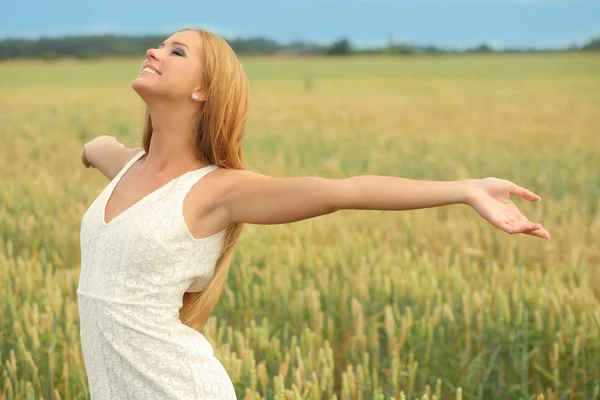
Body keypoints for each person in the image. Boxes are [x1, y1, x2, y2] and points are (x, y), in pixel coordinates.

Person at [77, 27, 551, 400]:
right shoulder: (128, 167)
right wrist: (91, 149)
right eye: (159, 45)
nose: (155, 51)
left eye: (176, 52)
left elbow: (341, 191)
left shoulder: (216, 190)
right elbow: (102, 146)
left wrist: (465, 189)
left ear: (204, 90)